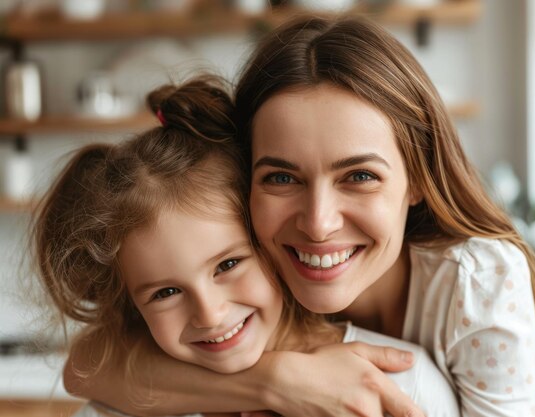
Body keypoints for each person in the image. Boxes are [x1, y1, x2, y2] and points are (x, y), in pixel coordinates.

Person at [64, 15, 535, 417]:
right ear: (244, 187)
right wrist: (279, 383)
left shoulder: (477, 279)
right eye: (281, 178)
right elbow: (86, 366)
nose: (318, 224)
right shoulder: (244, 271)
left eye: (360, 176)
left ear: (419, 179)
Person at [33, 75, 459, 417]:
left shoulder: (398, 384)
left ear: (267, 240)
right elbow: (82, 369)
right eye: (165, 292)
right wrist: (274, 383)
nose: (210, 313)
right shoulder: (121, 404)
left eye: (228, 265)